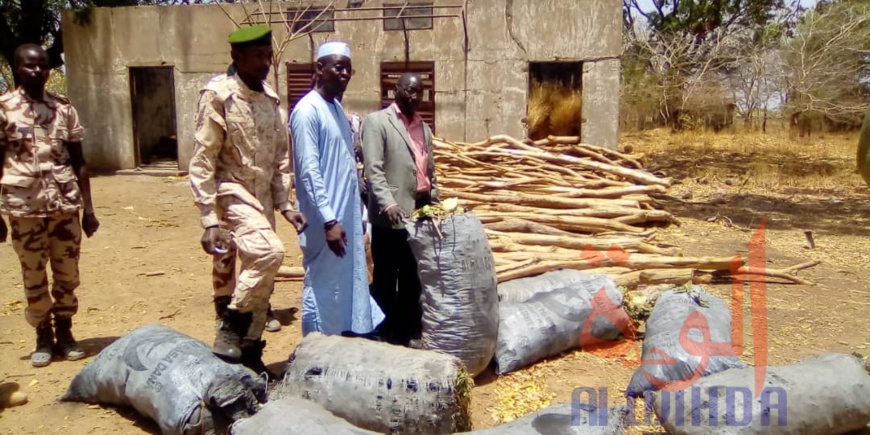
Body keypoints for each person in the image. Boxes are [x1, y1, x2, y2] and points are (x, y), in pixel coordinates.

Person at [189, 25, 307, 379]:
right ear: (236, 56)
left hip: (261, 204)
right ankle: (231, 322)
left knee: (262, 277)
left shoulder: (271, 100)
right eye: (257, 56)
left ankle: (251, 351)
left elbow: (279, 159)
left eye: (268, 55)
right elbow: (202, 159)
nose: (265, 62)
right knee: (269, 254)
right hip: (230, 195)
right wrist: (209, 218)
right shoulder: (218, 95)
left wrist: (285, 205)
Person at [0, 44, 100, 367]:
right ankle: (43, 334)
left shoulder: (64, 108)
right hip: (23, 207)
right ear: (17, 69)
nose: (38, 72)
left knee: (68, 273)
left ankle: (66, 331)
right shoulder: (3, 109)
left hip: (64, 205)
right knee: (33, 274)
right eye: (30, 66)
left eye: (43, 66)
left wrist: (89, 209)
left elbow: (79, 161)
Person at [290, 41, 384, 336]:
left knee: (344, 282)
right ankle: (315, 346)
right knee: (321, 284)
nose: (344, 73)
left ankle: (340, 340)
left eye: (348, 68)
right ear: (319, 68)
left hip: (345, 217)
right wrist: (330, 220)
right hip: (324, 221)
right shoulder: (307, 111)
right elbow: (308, 171)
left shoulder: (336, 110)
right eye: (337, 67)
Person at [361, 72, 439, 346]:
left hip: (418, 211)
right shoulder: (377, 122)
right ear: (397, 90)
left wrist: (435, 201)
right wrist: (388, 202)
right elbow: (374, 168)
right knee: (385, 273)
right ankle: (383, 329)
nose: (414, 96)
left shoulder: (424, 127)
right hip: (390, 214)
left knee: (412, 274)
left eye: (419, 92)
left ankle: (407, 329)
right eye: (409, 90)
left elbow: (429, 170)